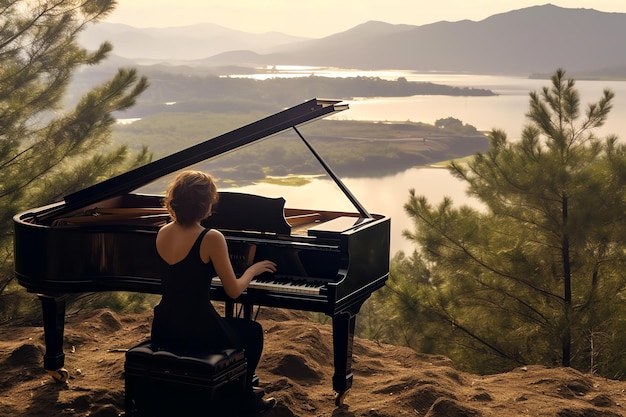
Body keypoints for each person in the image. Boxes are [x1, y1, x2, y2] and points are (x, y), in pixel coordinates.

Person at [151, 170, 277, 414]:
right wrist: (252, 270)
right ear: (206, 203)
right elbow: (233, 292)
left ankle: (229, 381)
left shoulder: (163, 231)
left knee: (236, 328)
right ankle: (245, 397)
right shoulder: (211, 238)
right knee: (253, 332)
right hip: (198, 329)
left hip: (165, 324)